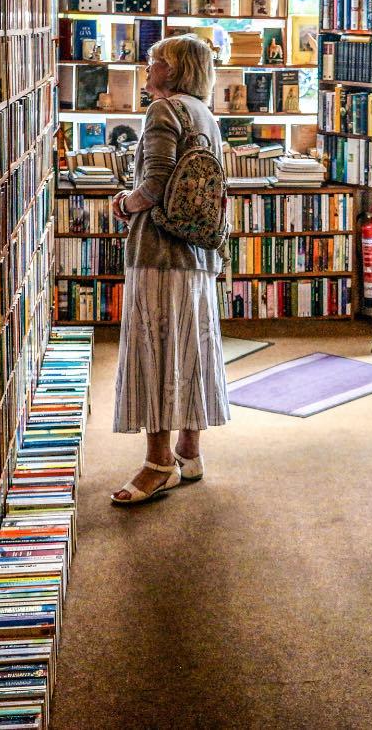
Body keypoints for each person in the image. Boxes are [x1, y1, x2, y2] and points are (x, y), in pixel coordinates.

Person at [108, 34, 231, 504]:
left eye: (154, 60)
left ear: (174, 69)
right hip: (197, 251)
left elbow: (155, 185)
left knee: (154, 352)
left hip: (159, 253)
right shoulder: (205, 114)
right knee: (190, 349)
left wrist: (124, 203)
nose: (147, 66)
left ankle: (158, 465)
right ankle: (189, 452)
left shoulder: (162, 111)